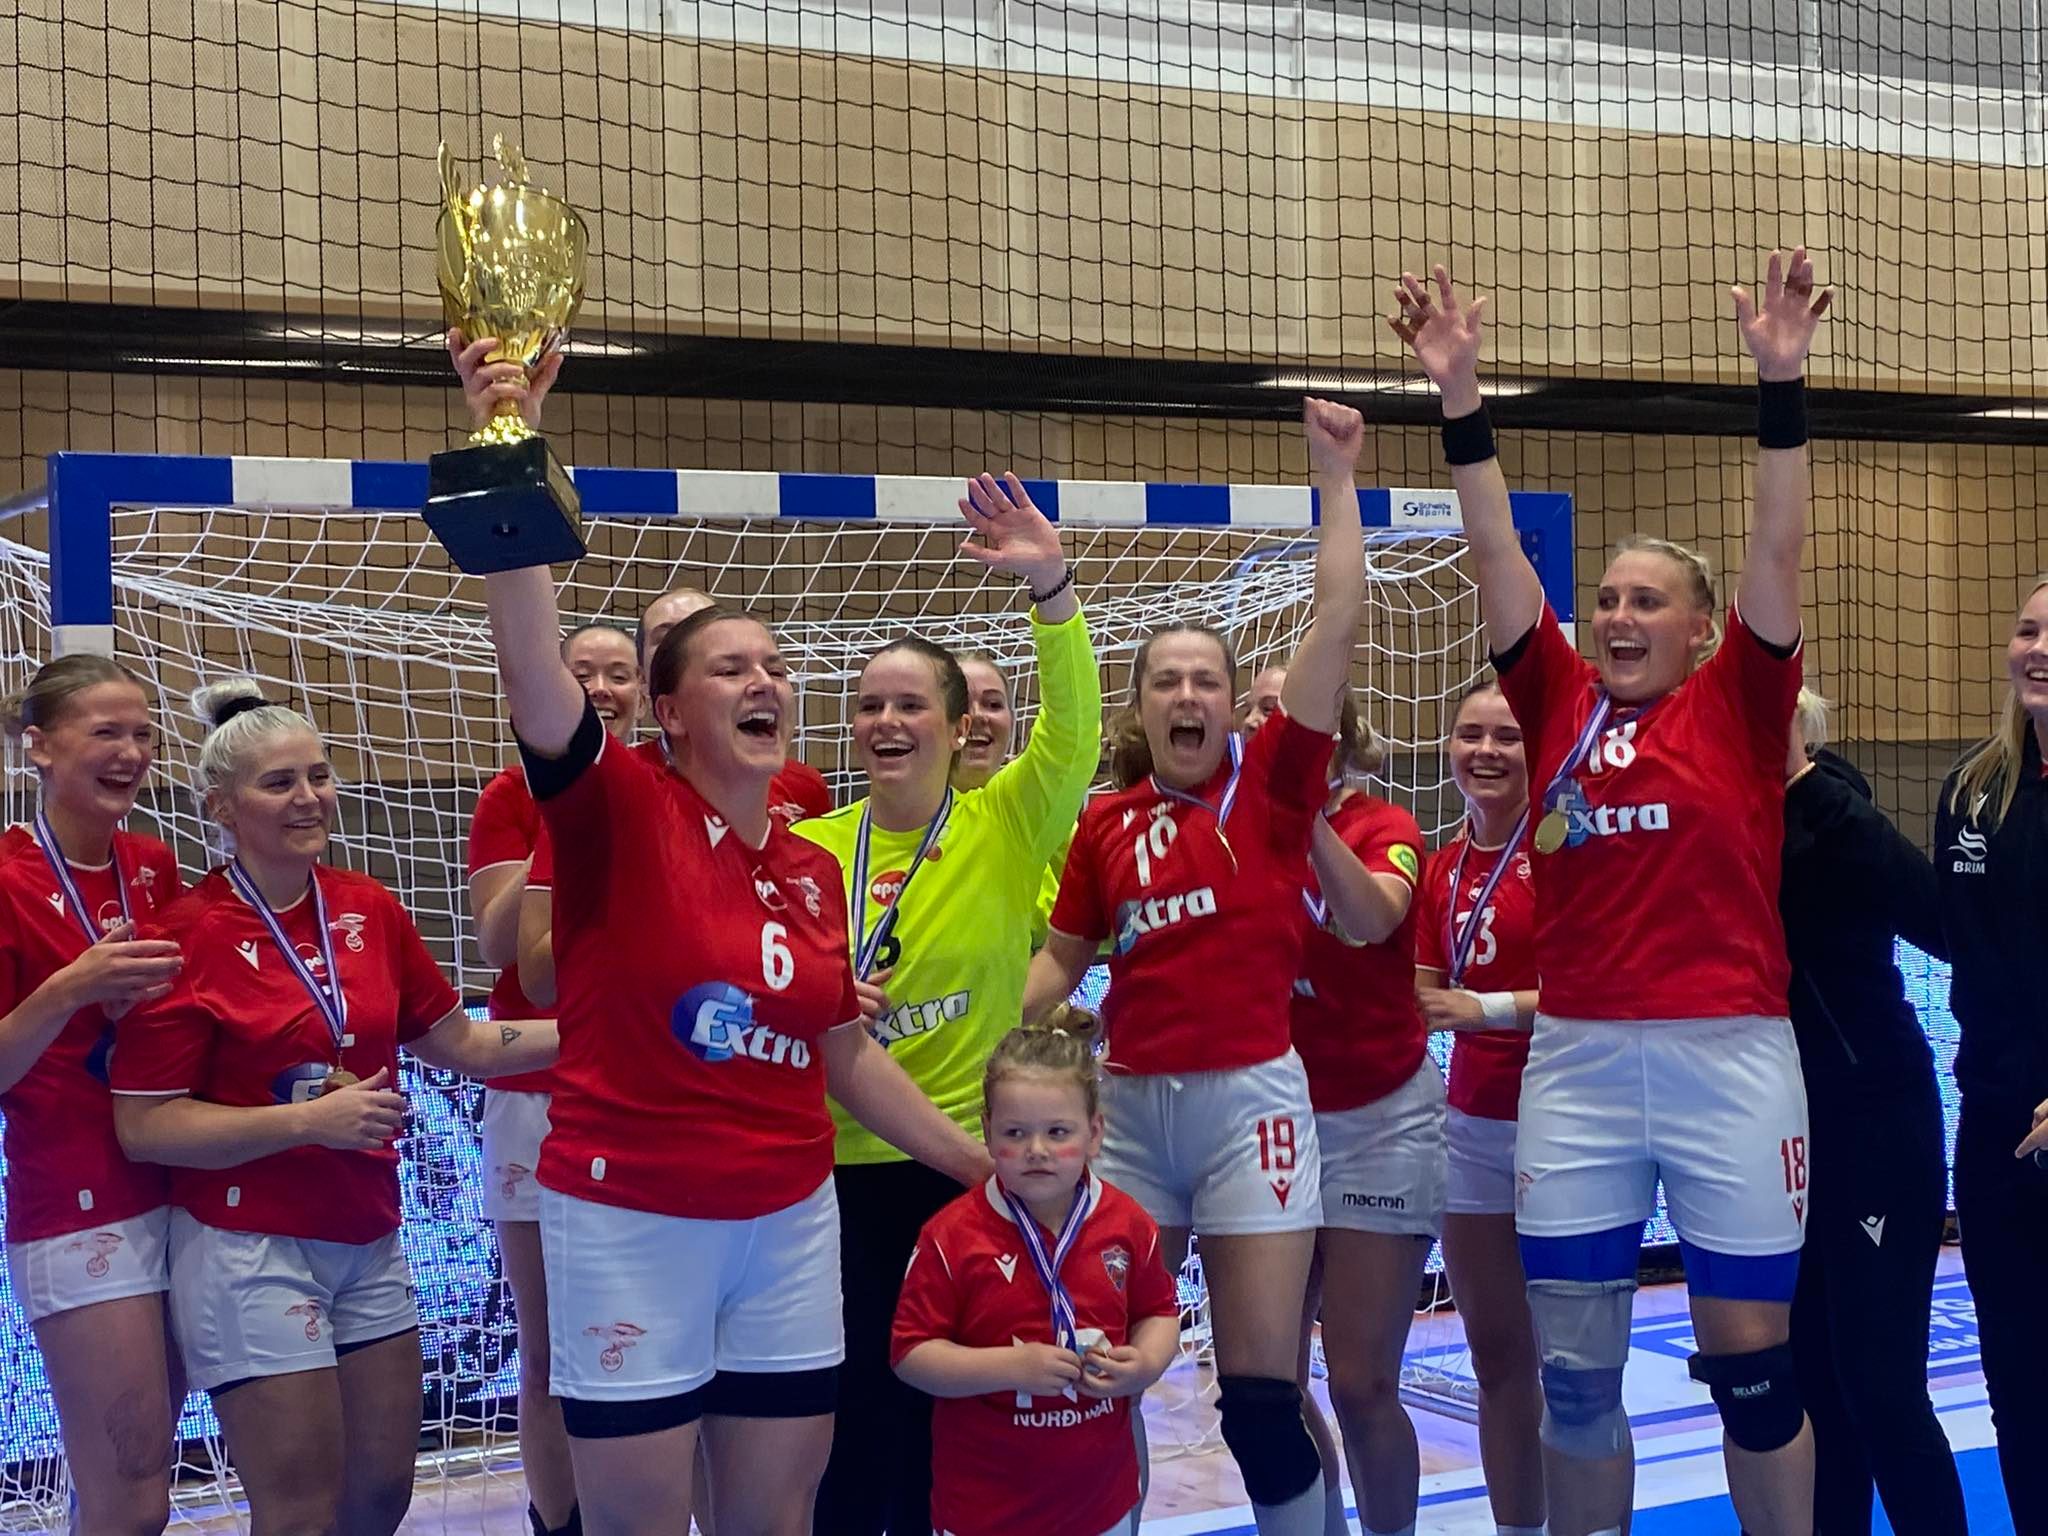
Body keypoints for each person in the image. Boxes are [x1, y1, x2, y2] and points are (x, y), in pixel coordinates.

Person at [1393, 251, 1831, 1536]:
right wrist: (1459, 400)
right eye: (1604, 600)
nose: (1619, 616)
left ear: (1701, 626)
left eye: (1649, 601)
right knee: (1575, 1384)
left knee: (1753, 1376)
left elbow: (1777, 544)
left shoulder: (1737, 702)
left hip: (1728, 1062)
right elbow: (1490, 550)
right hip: (1577, 1068)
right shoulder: (1554, 699)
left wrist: (1779, 384)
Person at [474, 506, 994, 1536]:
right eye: (730, 669)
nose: (765, 682)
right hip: (632, 1217)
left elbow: (844, 1054)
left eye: (776, 666)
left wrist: (982, 1168)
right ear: (666, 711)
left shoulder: (811, 867)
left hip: (788, 1223)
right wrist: (510, 492)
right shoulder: (621, 808)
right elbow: (534, 674)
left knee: (777, 1519)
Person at [1024, 396, 1370, 1536]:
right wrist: (959, 1029)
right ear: (1138, 707)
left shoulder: (1272, 788)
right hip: (1127, 1115)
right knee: (1097, 1378)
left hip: (1248, 1109)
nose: (1186, 696)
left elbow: (1336, 615)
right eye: (1165, 682)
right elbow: (1058, 964)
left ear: (1230, 704)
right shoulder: (1103, 822)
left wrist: (1334, 477)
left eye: (1204, 682)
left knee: (1261, 1401)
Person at [111, 679, 559, 1536]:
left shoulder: (368, 907)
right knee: (301, 1514)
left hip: (367, 1232)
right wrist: (302, 1124)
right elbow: (145, 1126)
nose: (308, 797)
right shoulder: (183, 936)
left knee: (381, 1496)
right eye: (279, 783)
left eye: (319, 776)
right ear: (221, 807)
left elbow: (462, 1045)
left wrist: (604, 1033)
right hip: (249, 1245)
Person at [797, 472, 1101, 1534]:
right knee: (851, 1434)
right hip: (837, 1173)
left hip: (971, 1172)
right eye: (869, 706)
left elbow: (1072, 735)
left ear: (958, 723)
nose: (886, 721)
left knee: (956, 1435)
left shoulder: (1004, 824)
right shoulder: (807, 851)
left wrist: (1051, 589)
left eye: (909, 704)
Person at [467, 619, 647, 1536]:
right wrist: (560, 819)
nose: (603, 689)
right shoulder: (510, 795)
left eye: (621, 674)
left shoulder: (664, 791)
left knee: (653, 1339)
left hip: (647, 1086)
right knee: (546, 1350)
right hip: (537, 1087)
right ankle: (556, 1523)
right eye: (585, 674)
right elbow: (500, 948)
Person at [0, 656, 187, 1536]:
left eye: (143, 734)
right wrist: (71, 987)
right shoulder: (5, 878)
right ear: (38, 746)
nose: (132, 752)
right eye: (106, 732)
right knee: (133, 1498)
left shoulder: (152, 865)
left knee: (136, 1485)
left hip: (173, 1182)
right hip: (76, 1200)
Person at [1777, 690, 1966, 1535]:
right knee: (1813, 1388)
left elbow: (1945, 923)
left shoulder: (1837, 817)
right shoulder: (1724, 823)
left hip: (1873, 1123)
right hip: (1777, 1138)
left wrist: (1804, 781)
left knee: (1881, 1390)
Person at [891, 1015, 1182, 1536]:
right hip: (983, 1514)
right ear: (986, 1132)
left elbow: (1159, 1312)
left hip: (1102, 1507)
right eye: (1015, 1133)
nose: (1037, 1150)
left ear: (1095, 1134)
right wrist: (1009, 1367)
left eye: (1057, 1132)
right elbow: (911, 1355)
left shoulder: (1128, 1224)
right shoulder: (950, 1237)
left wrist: (1145, 1364)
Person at [1284, 682, 1443, 1536]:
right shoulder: (1230, 832)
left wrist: (1300, 813)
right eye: (1263, 719)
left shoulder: (1385, 827)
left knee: (1359, 1380)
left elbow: (1373, 918)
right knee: (1269, 1383)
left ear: (1338, 742)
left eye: (1295, 720)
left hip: (1378, 1117)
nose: (1277, 732)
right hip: (1272, 1119)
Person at [1412, 681, 1546, 1536]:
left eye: (1507, 735)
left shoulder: (1566, 849)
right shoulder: (1440, 868)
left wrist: (1486, 1008)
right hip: (1471, 1127)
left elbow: (1603, 988)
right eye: (1470, 734)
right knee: (1498, 1361)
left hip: (1567, 1125)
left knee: (1575, 1371)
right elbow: (1422, 996)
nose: (1486, 751)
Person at [1937, 573, 2048, 1533]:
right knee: (2015, 1376)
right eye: (2027, 631)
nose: (2038, 650)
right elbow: (1951, 932)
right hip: (1996, 1123)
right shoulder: (1975, 791)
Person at [637, 584, 833, 828]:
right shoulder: (622, 781)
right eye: (730, 671)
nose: (764, 683)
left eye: (776, 671)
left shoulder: (804, 787)